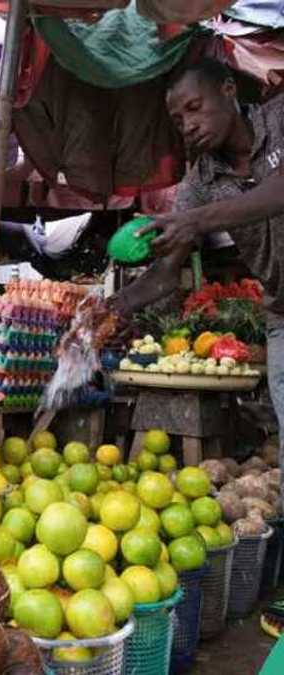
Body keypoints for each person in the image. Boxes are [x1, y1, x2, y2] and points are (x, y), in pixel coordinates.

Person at [113, 57, 284, 489]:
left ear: (228, 90)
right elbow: (165, 274)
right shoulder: (200, 182)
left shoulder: (280, 116)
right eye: (177, 118)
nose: (187, 125)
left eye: (194, 107)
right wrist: (107, 310)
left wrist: (197, 222)